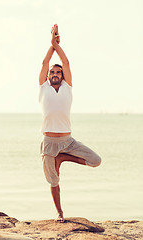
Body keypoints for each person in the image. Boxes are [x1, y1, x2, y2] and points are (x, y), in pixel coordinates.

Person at [39, 24, 101, 223]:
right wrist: (52, 45)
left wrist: (57, 45)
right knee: (53, 181)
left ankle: (63, 158)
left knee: (95, 160)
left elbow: (65, 61)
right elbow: (44, 63)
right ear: (48, 77)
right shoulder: (43, 88)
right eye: (52, 73)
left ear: (63, 76)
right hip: (49, 142)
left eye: (58, 72)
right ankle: (59, 213)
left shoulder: (68, 87)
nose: (55, 74)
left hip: (68, 141)